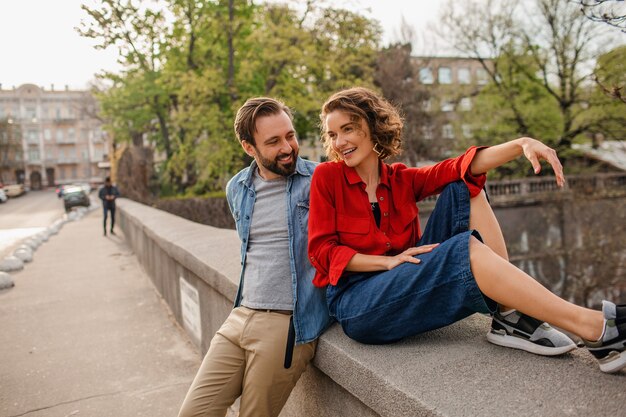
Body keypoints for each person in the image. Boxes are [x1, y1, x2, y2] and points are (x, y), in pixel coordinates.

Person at [307, 87, 626, 374]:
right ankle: (595, 328)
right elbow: (322, 252)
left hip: (405, 275)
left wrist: (520, 144)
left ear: (373, 127)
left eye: (348, 129)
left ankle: (508, 315)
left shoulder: (400, 180)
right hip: (359, 300)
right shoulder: (327, 177)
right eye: (333, 134)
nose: (340, 142)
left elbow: (460, 166)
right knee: (466, 250)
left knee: (461, 184)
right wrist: (386, 262)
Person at [177, 97, 332, 417]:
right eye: (273, 142)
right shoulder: (238, 187)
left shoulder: (321, 180)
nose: (288, 147)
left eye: (290, 135)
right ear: (250, 148)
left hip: (287, 325)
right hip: (239, 316)